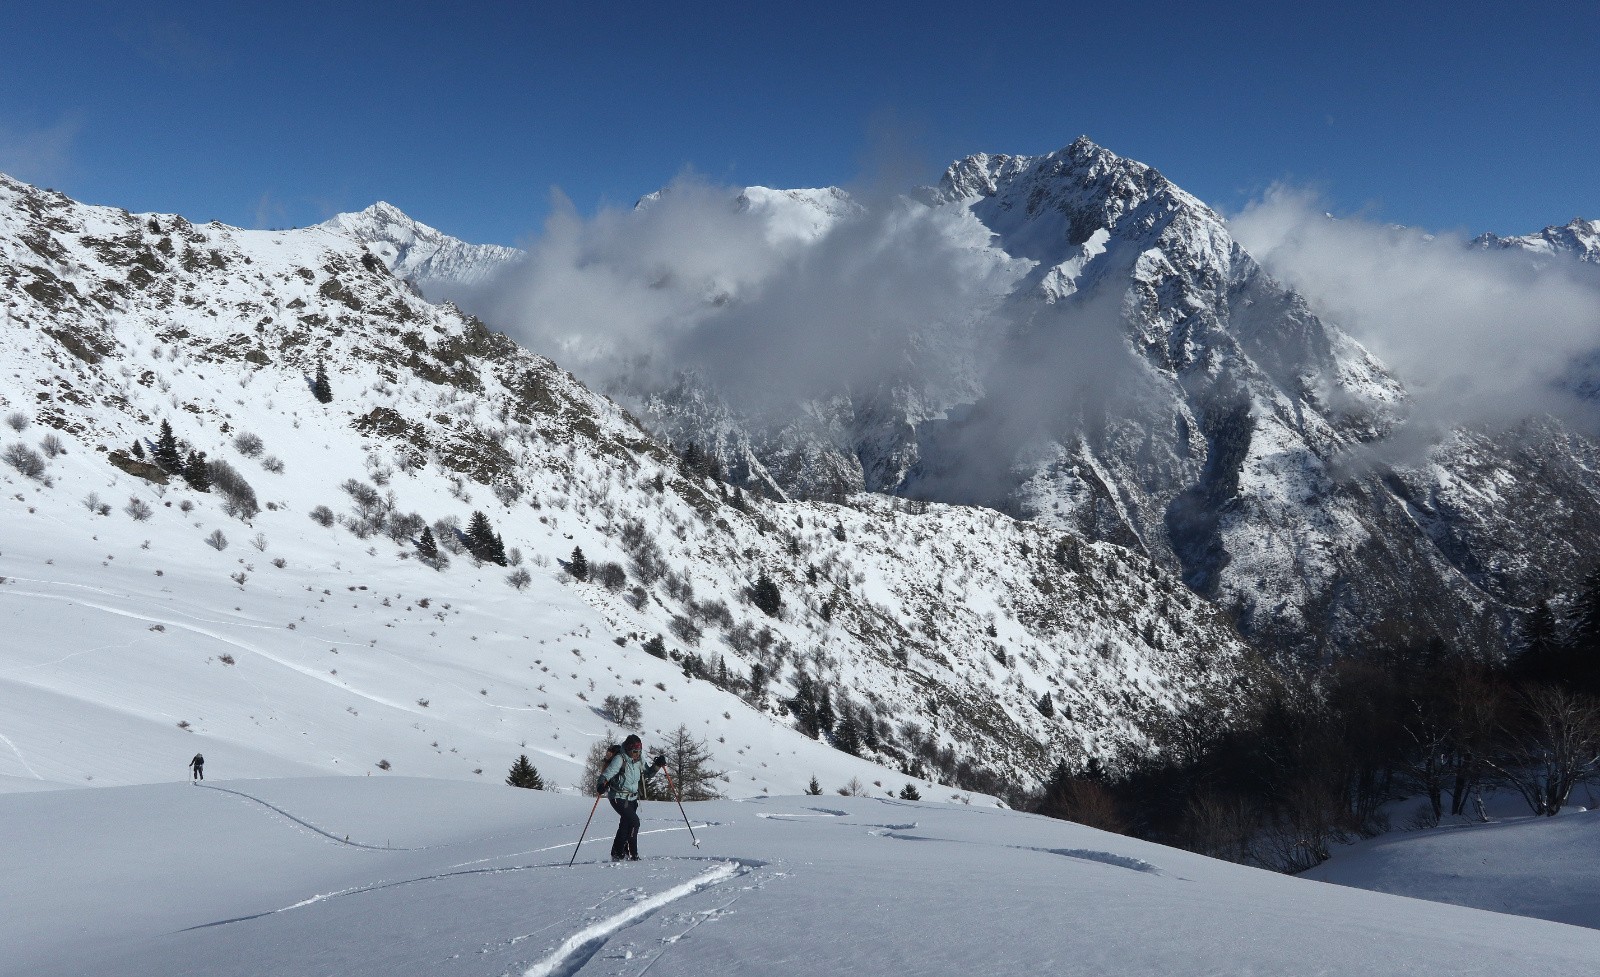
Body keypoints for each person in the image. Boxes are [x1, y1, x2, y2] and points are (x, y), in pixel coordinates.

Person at [596, 734, 666, 861]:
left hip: (632, 798)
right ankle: (633, 854)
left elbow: (648, 773)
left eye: (639, 751)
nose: (637, 754)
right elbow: (606, 774)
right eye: (634, 751)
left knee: (625, 824)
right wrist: (601, 785)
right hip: (618, 797)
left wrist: (657, 765)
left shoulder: (639, 759)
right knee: (634, 822)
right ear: (628, 749)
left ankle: (617, 853)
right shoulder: (620, 759)